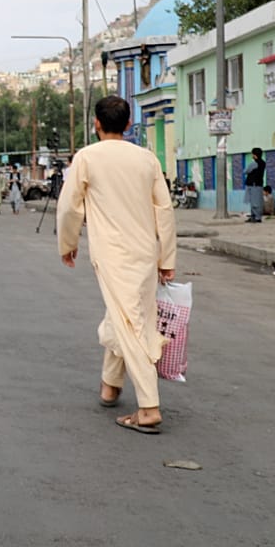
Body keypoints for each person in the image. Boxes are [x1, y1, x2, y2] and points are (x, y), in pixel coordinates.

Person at [58, 96, 175, 435]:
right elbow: (164, 210)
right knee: (125, 314)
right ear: (127, 124)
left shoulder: (86, 157)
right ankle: (110, 384)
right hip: (145, 251)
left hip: (111, 253)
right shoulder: (147, 158)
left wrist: (68, 244)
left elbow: (69, 207)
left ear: (96, 123)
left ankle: (149, 407)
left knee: (130, 322)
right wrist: (167, 257)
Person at [244, 147, 266, 222]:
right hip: (259, 184)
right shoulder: (263, 163)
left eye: (252, 154)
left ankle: (256, 217)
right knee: (258, 201)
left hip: (253, 185)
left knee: (254, 202)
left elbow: (245, 171)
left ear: (254, 155)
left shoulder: (254, 163)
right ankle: (255, 216)